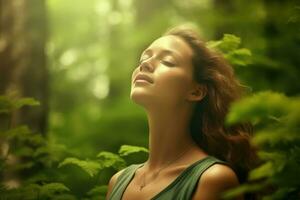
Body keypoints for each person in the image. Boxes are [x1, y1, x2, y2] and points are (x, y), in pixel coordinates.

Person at [106, 25, 257, 200]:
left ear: (195, 91)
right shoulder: (117, 182)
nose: (145, 64)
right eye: (143, 59)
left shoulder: (212, 179)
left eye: (168, 61)